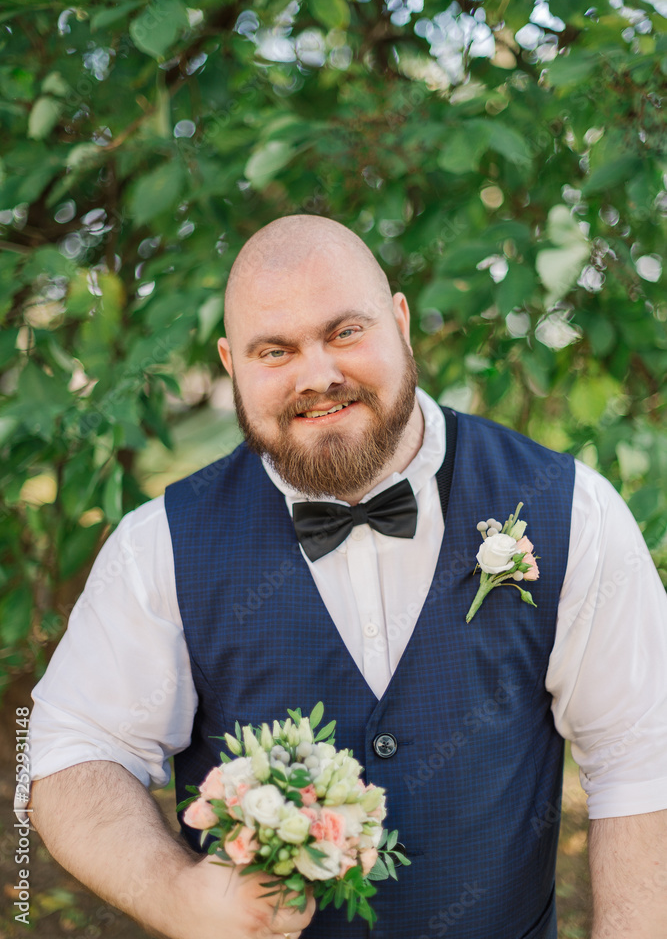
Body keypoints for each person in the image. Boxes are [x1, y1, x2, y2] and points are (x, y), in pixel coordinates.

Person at [28, 216, 667, 939]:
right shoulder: (160, 547)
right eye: (275, 350)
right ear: (231, 364)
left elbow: (643, 765)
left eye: (344, 333)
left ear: (399, 323)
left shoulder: (570, 510)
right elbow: (71, 751)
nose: (317, 375)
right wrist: (175, 894)